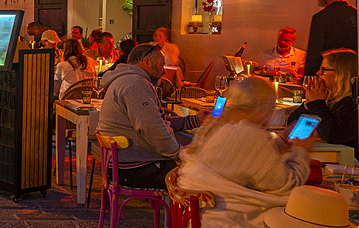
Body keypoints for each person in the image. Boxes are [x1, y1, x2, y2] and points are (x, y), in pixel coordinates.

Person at [178, 76, 312, 228]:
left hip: (198, 216)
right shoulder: (250, 134)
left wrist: (283, 142)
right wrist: (302, 150)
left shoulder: (219, 123)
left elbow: (244, 159)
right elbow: (286, 185)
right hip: (225, 220)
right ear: (262, 108)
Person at [97, 43, 206, 188]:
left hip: (124, 164)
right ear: (147, 61)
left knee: (200, 168)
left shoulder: (127, 80)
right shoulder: (135, 84)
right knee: (204, 178)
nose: (164, 71)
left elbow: (154, 121)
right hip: (135, 169)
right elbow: (152, 128)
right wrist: (181, 155)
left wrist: (194, 120)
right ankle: (185, 210)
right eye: (161, 65)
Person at [288, 48, 358, 152]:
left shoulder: (353, 105)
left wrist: (316, 103)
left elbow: (334, 136)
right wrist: (308, 104)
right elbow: (295, 128)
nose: (319, 73)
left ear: (341, 73)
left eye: (324, 69)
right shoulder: (329, 99)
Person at [304, 0, 358, 76]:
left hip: (330, 75)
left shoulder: (321, 18)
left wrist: (308, 78)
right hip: (354, 73)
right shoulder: (356, 13)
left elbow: (315, 52)